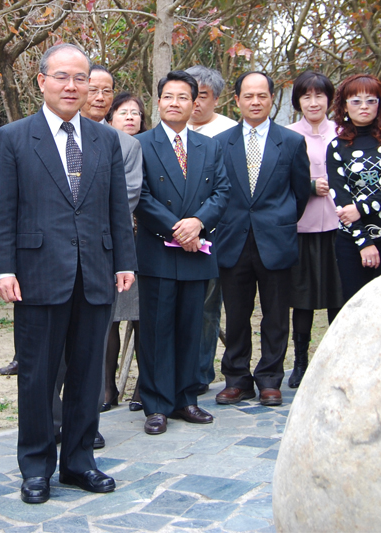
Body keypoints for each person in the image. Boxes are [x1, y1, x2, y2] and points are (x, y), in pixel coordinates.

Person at [0, 43, 137, 504]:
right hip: (36, 274)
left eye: (81, 79)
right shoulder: (14, 137)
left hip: (95, 272)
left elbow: (116, 207)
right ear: (41, 81)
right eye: (62, 77)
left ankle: (78, 462)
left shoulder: (104, 139)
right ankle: (36, 467)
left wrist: (125, 260)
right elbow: (3, 211)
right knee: (36, 376)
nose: (72, 86)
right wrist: (3, 269)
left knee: (88, 373)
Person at [134, 70, 229, 435]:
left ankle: (187, 398)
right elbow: (139, 196)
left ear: (195, 103)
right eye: (168, 97)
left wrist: (198, 224)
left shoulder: (210, 146)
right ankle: (156, 405)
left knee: (193, 326)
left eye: (183, 97)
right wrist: (178, 228)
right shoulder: (140, 144)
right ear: (158, 102)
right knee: (156, 330)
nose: (175, 103)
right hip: (158, 250)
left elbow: (222, 192)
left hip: (198, 250)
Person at [213, 72, 310, 406]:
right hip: (232, 239)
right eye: (248, 96)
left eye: (262, 96)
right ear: (236, 100)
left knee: (275, 315)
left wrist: (279, 222)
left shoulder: (292, 142)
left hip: (276, 240)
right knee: (236, 316)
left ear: (272, 99)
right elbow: (216, 192)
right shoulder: (220, 143)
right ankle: (237, 378)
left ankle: (270, 378)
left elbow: (300, 193)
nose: (255, 102)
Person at [80, 70, 143, 415]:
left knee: (115, 316)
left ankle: (108, 387)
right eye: (93, 90)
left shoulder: (127, 145)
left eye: (107, 91)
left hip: (113, 245)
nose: (100, 97)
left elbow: (128, 195)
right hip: (66, 250)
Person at [285, 71, 344, 389]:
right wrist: (309, 186)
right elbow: (280, 182)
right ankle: (300, 362)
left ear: (329, 100)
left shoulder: (343, 133)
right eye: (306, 96)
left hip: (339, 225)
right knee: (303, 298)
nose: (313, 102)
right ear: (298, 102)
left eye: (319, 95)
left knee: (339, 296)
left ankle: (337, 359)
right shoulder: (289, 135)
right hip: (303, 226)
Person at [184, 65, 238, 395]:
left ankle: (200, 373)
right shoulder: (170, 130)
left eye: (201, 95)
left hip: (214, 235)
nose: (194, 102)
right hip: (171, 234)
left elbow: (228, 191)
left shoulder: (229, 134)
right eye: (190, 95)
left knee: (206, 308)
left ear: (216, 98)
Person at [327, 74, 381, 301]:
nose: (364, 107)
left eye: (371, 101)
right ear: (344, 106)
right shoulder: (336, 147)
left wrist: (363, 207)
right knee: (356, 307)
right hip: (352, 241)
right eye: (356, 101)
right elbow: (341, 198)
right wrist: (364, 243)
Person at [106, 91, 147, 412]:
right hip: (105, 245)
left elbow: (132, 193)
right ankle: (107, 387)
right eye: (123, 112)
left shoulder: (143, 147)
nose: (130, 117)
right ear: (110, 117)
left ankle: (144, 385)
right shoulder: (102, 143)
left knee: (143, 318)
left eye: (135, 113)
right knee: (109, 320)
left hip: (140, 243)